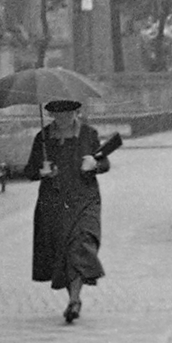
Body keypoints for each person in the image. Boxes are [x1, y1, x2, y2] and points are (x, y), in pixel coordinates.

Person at [25, 98, 111, 324]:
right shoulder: (42, 138)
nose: (63, 119)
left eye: (68, 114)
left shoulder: (89, 134)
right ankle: (73, 298)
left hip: (85, 200)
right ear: (52, 115)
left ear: (76, 113)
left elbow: (105, 162)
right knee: (62, 251)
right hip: (53, 203)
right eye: (58, 115)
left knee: (80, 245)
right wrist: (41, 171)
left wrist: (94, 163)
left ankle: (74, 299)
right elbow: (29, 170)